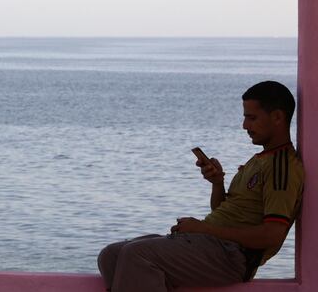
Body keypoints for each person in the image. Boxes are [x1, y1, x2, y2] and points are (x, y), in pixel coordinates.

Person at [97, 80, 304, 291]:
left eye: (251, 118)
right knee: (110, 255)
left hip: (234, 256)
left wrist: (203, 229)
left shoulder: (282, 166)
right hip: (211, 244)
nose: (245, 126)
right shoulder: (259, 160)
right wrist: (217, 183)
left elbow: (272, 235)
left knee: (137, 254)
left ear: (277, 117)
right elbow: (224, 212)